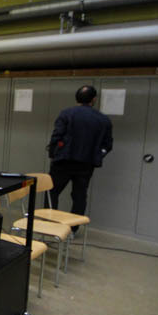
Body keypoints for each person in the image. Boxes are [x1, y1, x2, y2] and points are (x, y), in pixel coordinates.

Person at [47, 85, 113, 227]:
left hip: (63, 161)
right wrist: (97, 155)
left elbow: (56, 136)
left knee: (52, 192)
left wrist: (53, 154)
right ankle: (72, 229)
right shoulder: (103, 119)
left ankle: (50, 223)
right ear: (94, 99)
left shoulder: (66, 114)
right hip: (86, 164)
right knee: (79, 196)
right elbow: (107, 145)